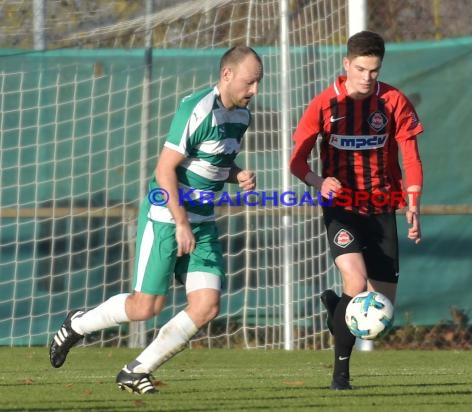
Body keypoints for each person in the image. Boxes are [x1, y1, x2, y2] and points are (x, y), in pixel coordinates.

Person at [49, 46, 264, 394]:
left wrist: (236, 175)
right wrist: (180, 222)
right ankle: (78, 324)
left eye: (258, 83)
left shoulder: (242, 116)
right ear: (227, 75)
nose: (254, 90)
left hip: (203, 220)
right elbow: (165, 171)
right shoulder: (196, 110)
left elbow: (211, 163)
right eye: (249, 82)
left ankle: (136, 370)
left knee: (206, 306)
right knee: (144, 307)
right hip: (167, 217)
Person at [289, 30, 423, 390]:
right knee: (355, 282)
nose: (367, 77)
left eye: (374, 71)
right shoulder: (323, 105)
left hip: (381, 207)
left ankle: (336, 313)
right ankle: (340, 377)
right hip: (342, 207)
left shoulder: (393, 101)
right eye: (361, 69)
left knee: (381, 312)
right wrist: (319, 183)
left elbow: (410, 154)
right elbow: (297, 162)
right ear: (346, 64)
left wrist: (413, 202)